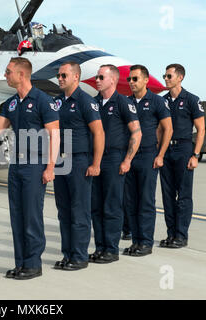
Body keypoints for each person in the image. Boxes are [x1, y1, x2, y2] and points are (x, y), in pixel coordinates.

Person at [0, 57, 60, 280]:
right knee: (17, 215)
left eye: (8, 72)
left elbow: (55, 134)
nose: (5, 75)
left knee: (32, 215)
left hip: (35, 165)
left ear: (21, 74)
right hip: (16, 164)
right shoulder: (12, 103)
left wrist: (51, 167)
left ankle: (33, 264)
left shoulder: (44, 101)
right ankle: (21, 263)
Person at [53, 61, 104, 270]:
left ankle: (80, 256)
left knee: (79, 210)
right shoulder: (55, 102)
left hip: (79, 161)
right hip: (60, 161)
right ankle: (68, 254)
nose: (60, 79)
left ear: (76, 77)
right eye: (59, 75)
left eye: (64, 75)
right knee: (63, 210)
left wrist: (96, 163)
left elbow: (99, 132)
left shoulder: (85, 101)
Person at [89, 64, 142, 264]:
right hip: (95, 159)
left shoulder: (122, 103)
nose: (97, 80)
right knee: (96, 206)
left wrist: (127, 160)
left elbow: (137, 132)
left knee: (111, 206)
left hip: (113, 158)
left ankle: (111, 250)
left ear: (113, 80)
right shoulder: (93, 103)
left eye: (101, 77)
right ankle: (100, 247)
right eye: (97, 76)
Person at [123, 65, 173, 256]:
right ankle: (136, 241)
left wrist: (160, 155)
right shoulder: (126, 102)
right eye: (129, 79)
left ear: (145, 80)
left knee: (145, 201)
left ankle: (145, 242)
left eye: (135, 79)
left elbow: (168, 128)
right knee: (130, 201)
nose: (131, 83)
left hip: (147, 156)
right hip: (129, 157)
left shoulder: (157, 102)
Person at [159, 63, 205, 248]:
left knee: (183, 195)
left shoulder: (192, 100)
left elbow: (201, 129)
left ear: (180, 77)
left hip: (184, 149)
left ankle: (181, 235)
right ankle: (171, 234)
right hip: (166, 150)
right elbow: (159, 129)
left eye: (169, 76)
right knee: (167, 194)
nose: (166, 79)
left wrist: (195, 155)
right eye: (165, 75)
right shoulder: (162, 101)